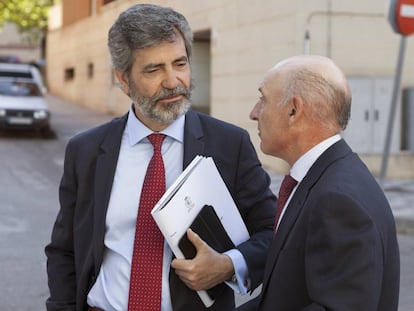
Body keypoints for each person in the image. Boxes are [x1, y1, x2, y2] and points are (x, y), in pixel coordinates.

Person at [45, 4, 276, 311]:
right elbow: (64, 250)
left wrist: (228, 265)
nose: (172, 81)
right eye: (154, 69)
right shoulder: (86, 150)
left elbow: (273, 233)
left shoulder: (229, 145)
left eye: (180, 64)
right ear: (123, 79)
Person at [244, 55, 400, 310]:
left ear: (294, 110)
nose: (254, 113)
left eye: (263, 100)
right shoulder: (324, 178)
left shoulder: (338, 201)